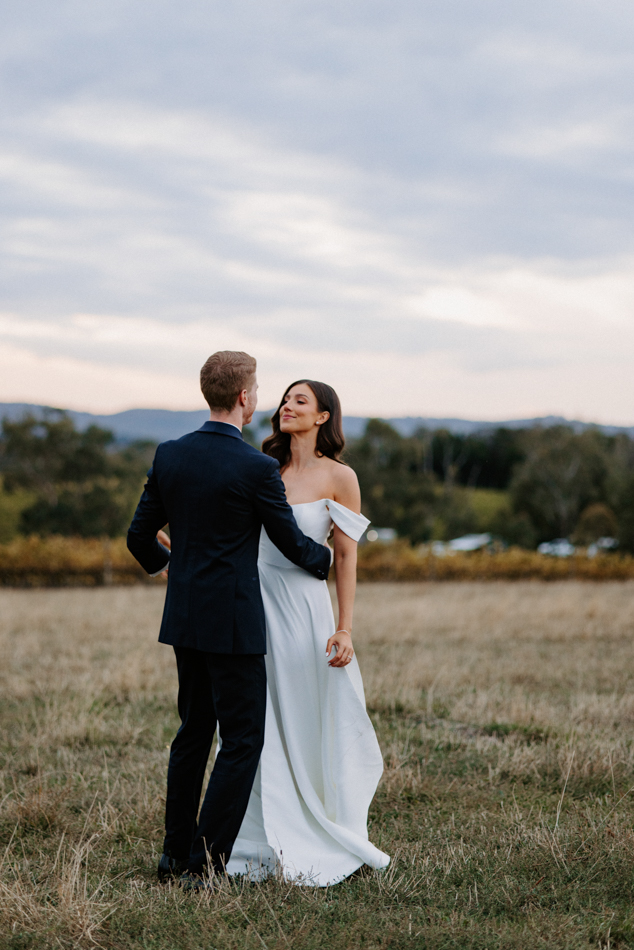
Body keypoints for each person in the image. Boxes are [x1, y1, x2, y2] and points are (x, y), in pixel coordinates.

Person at [126, 352, 331, 887]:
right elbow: (290, 543)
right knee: (242, 741)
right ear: (244, 398)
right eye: (259, 389)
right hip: (236, 623)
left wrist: (170, 566)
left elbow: (137, 537)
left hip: (186, 619)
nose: (261, 397)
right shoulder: (256, 467)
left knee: (193, 732)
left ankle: (174, 856)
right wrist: (326, 559)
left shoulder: (170, 454)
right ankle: (207, 862)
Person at [225, 380, 390, 886]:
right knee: (255, 720)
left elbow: (344, 557)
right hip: (254, 603)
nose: (286, 407)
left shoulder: (340, 477)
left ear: (323, 417)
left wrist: (345, 627)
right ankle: (254, 839)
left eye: (300, 400)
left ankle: (312, 827)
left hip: (303, 610)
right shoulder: (262, 467)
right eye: (285, 399)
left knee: (301, 712)